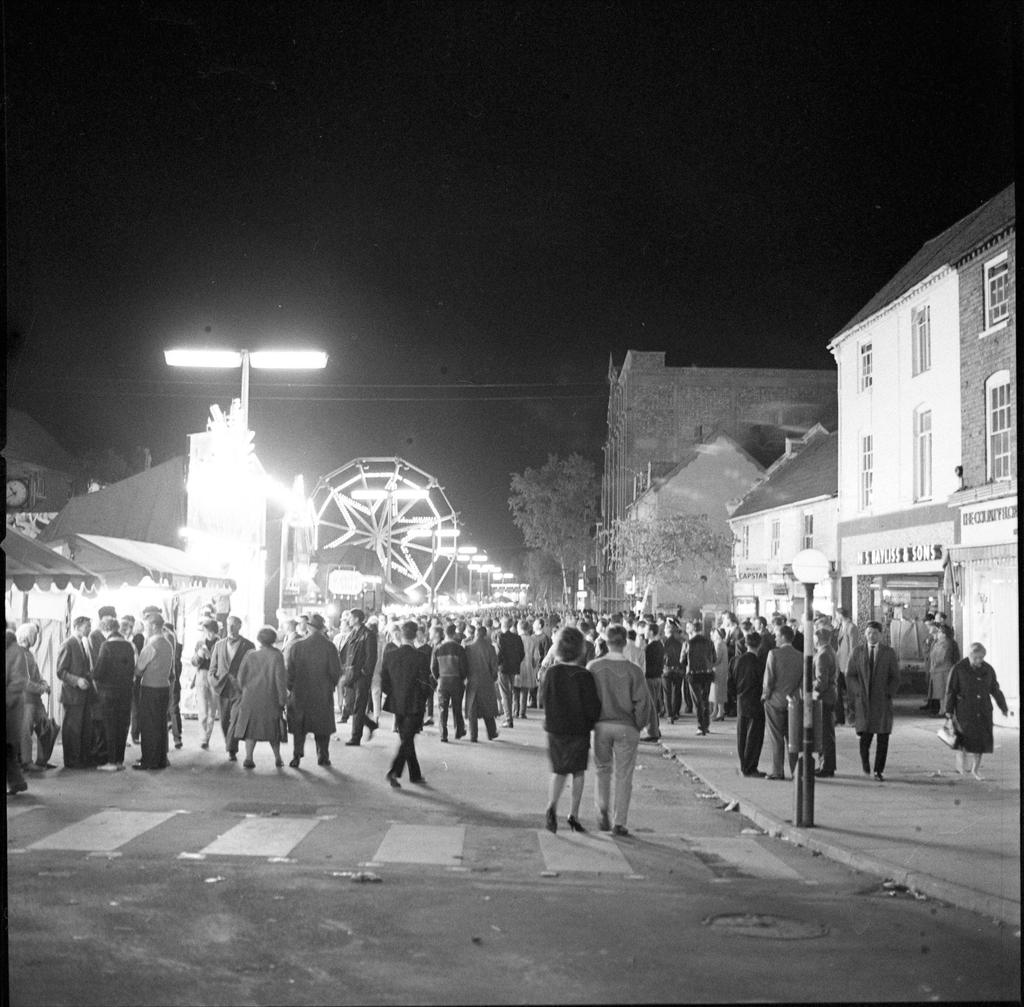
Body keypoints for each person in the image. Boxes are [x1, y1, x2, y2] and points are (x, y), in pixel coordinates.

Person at [587, 624, 652, 836]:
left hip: (601, 726)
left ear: (606, 642)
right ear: (624, 643)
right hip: (627, 727)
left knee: (602, 769)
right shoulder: (635, 671)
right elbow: (644, 703)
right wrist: (638, 725)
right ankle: (620, 822)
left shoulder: (594, 667)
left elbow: (587, 699)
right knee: (624, 775)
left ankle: (602, 808)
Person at [540, 627, 602, 834]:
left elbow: (544, 700)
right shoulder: (584, 675)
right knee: (577, 771)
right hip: (578, 729)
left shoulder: (551, 673)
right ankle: (573, 814)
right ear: (580, 649)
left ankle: (551, 806)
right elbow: (593, 706)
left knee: (558, 771)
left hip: (556, 729)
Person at [943, 643, 1008, 780]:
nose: (979, 661)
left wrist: (1003, 706)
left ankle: (975, 770)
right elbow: (951, 691)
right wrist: (948, 710)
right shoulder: (959, 668)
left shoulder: (988, 669)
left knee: (981, 742)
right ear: (970, 655)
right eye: (976, 658)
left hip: (983, 710)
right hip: (965, 711)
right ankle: (961, 766)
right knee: (963, 741)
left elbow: (995, 689)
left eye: (981, 658)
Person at [845, 621, 900, 781]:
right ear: (865, 634)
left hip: (882, 702)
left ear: (880, 635)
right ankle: (865, 762)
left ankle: (878, 770)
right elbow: (850, 675)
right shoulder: (857, 652)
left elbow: (895, 677)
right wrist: (857, 692)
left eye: (875, 633)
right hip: (863, 701)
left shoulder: (888, 653)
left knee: (883, 738)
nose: (871, 635)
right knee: (865, 737)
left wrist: (888, 693)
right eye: (869, 633)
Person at [285, 612, 342, 767]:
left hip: (301, 692)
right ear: (322, 628)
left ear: (309, 628)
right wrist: (330, 686)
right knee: (322, 726)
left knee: (299, 727)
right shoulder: (329, 647)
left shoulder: (297, 646)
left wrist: (290, 688)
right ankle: (322, 756)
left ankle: (297, 756)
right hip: (322, 692)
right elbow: (336, 671)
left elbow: (290, 671)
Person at [381, 620, 433, 788]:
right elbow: (427, 682)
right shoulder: (421, 657)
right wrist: (424, 698)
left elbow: (384, 681)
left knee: (406, 737)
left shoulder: (390, 655)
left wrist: (393, 693)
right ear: (415, 635)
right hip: (415, 702)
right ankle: (394, 771)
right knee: (408, 738)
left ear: (400, 635)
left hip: (397, 702)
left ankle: (415, 774)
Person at [233, 626, 288, 769]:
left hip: (250, 698)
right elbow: (280, 680)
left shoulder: (250, 655)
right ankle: (278, 758)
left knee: (251, 730)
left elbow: (240, 678)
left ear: (259, 639)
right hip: (270, 697)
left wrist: (244, 690)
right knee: (273, 730)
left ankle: (249, 758)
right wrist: (283, 699)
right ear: (274, 639)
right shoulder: (277, 655)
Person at [92, 616, 136, 771]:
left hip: (108, 693)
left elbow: (98, 672)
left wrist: (92, 674)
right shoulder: (129, 646)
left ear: (106, 629)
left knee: (110, 726)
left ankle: (110, 761)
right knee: (123, 725)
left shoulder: (106, 646)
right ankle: (119, 760)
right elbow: (132, 670)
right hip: (125, 692)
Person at [208, 616, 255, 762]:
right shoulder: (219, 645)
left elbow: (253, 668)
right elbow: (212, 668)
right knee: (224, 720)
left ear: (240, 626)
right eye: (229, 625)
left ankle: (232, 749)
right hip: (222, 687)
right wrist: (214, 681)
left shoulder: (248, 645)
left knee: (235, 719)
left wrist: (247, 685)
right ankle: (229, 743)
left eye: (234, 625)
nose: (231, 628)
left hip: (239, 688)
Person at [133, 614, 175, 770]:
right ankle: (160, 759)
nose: (146, 629)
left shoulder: (151, 645)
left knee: (148, 725)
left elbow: (138, 669)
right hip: (164, 687)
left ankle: (149, 760)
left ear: (154, 626)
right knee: (160, 724)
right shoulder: (167, 644)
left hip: (150, 688)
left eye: (147, 626)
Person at [761, 624, 803, 780]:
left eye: (777, 636)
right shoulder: (800, 656)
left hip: (774, 701)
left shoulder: (774, 654)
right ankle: (796, 771)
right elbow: (802, 681)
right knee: (792, 739)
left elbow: (769, 679)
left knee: (776, 738)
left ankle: (778, 771)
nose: (775, 638)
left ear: (784, 636)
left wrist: (765, 695)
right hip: (792, 702)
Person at [55, 615, 97, 768]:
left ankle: (80, 759)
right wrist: (77, 681)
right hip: (72, 696)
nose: (89, 629)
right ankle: (71, 761)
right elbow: (60, 672)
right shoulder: (68, 644)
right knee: (72, 729)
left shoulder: (82, 643)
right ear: (78, 626)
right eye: (87, 626)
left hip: (83, 695)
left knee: (83, 728)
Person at [16, 623, 54, 772]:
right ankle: (27, 762)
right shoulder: (19, 654)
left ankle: (41, 760)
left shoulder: (28, 653)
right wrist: (42, 688)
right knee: (26, 732)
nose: (37, 639)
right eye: (35, 636)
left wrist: (43, 683)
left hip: (35, 700)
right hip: (25, 700)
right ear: (29, 636)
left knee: (46, 728)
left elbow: (36, 676)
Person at [339, 609, 378, 746]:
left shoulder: (368, 635)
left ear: (356, 619)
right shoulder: (352, 634)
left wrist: (364, 672)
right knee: (349, 705)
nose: (347, 619)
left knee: (358, 706)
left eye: (350, 617)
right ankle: (370, 724)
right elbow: (345, 654)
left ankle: (355, 737)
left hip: (361, 676)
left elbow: (371, 657)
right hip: (350, 675)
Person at [735, 630, 766, 777]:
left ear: (746, 644)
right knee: (754, 736)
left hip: (741, 701)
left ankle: (743, 764)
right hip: (755, 701)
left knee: (742, 734)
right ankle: (750, 767)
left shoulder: (737, 661)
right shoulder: (759, 663)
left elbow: (731, 681)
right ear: (759, 645)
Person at [431, 623, 469, 742]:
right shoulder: (460, 649)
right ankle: (458, 731)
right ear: (454, 633)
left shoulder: (438, 648)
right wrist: (462, 678)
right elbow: (464, 667)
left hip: (443, 681)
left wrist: (438, 677)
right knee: (457, 708)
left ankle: (444, 734)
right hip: (457, 681)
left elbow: (433, 667)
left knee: (443, 709)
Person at [190, 619, 223, 750]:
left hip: (215, 676)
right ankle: (203, 737)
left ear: (215, 631)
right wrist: (199, 655)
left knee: (212, 710)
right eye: (206, 631)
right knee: (202, 709)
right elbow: (194, 662)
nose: (208, 634)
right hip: (202, 675)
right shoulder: (200, 643)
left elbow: (224, 662)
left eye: (211, 631)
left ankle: (206, 737)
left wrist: (213, 658)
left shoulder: (221, 643)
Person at [464, 625, 500, 742]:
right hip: (486, 681)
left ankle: (473, 736)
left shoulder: (468, 648)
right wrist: (493, 678)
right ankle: (491, 733)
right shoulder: (491, 648)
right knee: (487, 708)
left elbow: (465, 666)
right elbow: (494, 667)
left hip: (472, 681)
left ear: (475, 634)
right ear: (485, 635)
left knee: (472, 710)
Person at [811, 626, 838, 777]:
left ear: (818, 639)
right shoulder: (830, 651)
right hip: (830, 696)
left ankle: (826, 766)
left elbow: (822, 681)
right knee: (827, 732)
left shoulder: (822, 655)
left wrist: (810, 685)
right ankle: (825, 764)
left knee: (824, 733)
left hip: (824, 698)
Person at [6, 630, 29, 796]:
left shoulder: (15, 651)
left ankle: (16, 781)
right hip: (11, 706)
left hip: (10, 708)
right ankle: (17, 781)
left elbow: (19, 681)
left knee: (9, 748)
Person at [684, 629, 716, 736]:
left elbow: (682, 660)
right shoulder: (709, 642)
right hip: (707, 674)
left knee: (697, 700)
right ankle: (706, 725)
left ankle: (700, 726)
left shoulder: (688, 643)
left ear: (692, 631)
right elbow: (714, 658)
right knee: (705, 699)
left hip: (694, 674)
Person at [496, 616, 525, 729]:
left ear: (502, 624)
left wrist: (497, 665)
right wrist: (516, 662)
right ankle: (509, 716)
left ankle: (508, 719)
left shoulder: (501, 637)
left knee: (505, 693)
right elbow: (522, 653)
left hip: (503, 668)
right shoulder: (517, 638)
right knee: (510, 692)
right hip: (513, 668)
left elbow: (499, 653)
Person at [928, 624, 960, 718]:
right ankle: (941, 710)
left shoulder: (946, 643)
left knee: (944, 692)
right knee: (940, 692)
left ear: (944, 634)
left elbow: (942, 656)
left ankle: (945, 710)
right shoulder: (939, 642)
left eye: (939, 632)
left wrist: (935, 663)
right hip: (938, 670)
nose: (937, 633)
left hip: (944, 669)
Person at [641, 622, 664, 741]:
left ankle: (652, 732)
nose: (644, 632)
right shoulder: (660, 645)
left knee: (650, 706)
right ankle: (656, 729)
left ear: (650, 632)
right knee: (654, 703)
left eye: (646, 630)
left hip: (650, 678)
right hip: (658, 677)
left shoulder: (649, 647)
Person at [661, 621, 684, 724]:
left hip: (666, 670)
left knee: (667, 693)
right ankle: (675, 713)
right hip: (678, 669)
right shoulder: (680, 643)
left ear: (667, 631)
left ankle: (669, 714)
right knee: (676, 692)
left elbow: (662, 656)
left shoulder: (664, 642)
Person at [710, 627, 730, 721]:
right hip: (721, 670)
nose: (712, 635)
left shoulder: (719, 644)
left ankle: (720, 712)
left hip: (718, 670)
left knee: (718, 691)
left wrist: (709, 663)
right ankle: (716, 711)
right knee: (717, 691)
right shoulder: (722, 643)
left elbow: (716, 659)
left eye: (714, 633)